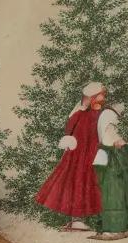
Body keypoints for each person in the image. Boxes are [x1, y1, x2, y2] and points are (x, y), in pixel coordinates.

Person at [35, 81, 106, 230]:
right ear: (91, 97)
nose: (102, 99)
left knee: (88, 182)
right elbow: (71, 130)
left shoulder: (98, 114)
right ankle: (77, 219)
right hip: (79, 155)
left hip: (90, 153)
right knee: (77, 181)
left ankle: (85, 219)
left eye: (102, 96)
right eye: (99, 96)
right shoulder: (81, 114)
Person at [93, 102, 128, 238]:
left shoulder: (110, 114)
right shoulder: (108, 115)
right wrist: (120, 142)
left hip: (115, 154)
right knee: (113, 191)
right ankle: (113, 229)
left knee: (125, 187)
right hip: (111, 157)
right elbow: (111, 138)